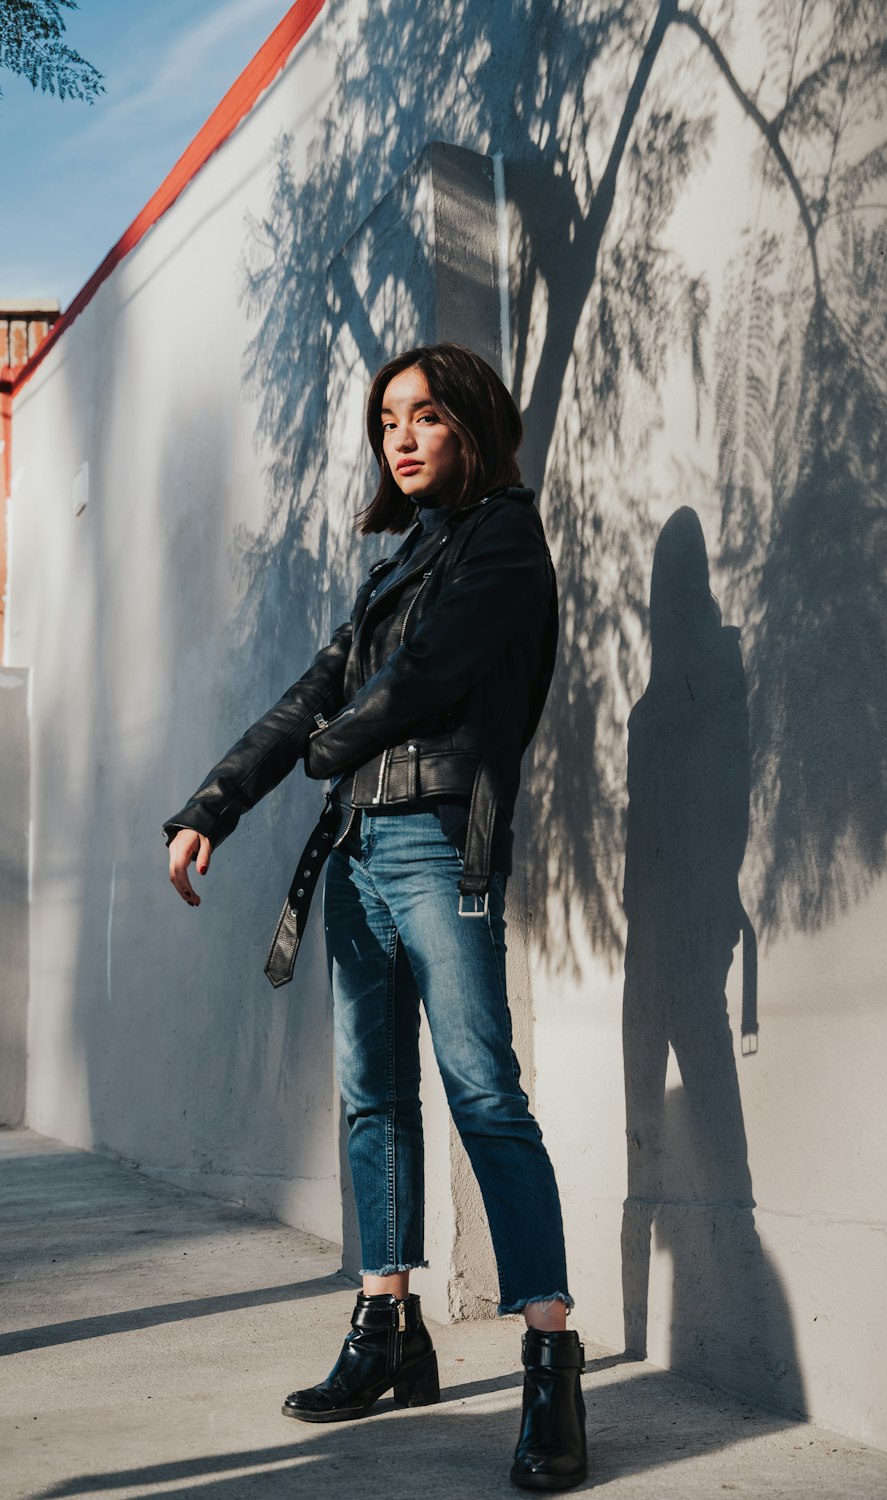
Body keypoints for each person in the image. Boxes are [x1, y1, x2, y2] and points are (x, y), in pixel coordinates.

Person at [163, 343, 586, 1490]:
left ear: (472, 428)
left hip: (438, 840)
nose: (400, 438)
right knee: (372, 1097)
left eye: (426, 416)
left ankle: (550, 1356)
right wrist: (214, 804)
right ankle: (387, 1328)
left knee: (482, 1091)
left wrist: (328, 746)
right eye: (388, 420)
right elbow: (317, 687)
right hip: (354, 849)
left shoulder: (504, 535)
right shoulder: (398, 563)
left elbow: (434, 679)